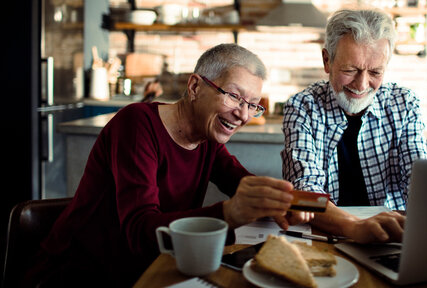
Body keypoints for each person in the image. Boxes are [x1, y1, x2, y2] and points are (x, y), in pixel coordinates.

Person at [24, 43, 311, 288]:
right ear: (195, 86)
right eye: (234, 96)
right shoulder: (137, 124)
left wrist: (285, 202)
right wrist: (229, 213)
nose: (243, 114)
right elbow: (139, 231)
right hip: (80, 273)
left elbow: (242, 182)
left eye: (253, 104)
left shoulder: (206, 138)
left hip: (148, 269)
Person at [281, 8, 427, 244]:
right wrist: (355, 227)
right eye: (350, 70)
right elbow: (305, 195)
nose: (362, 84)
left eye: (375, 72)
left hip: (393, 233)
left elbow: (418, 176)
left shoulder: (404, 103)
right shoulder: (303, 107)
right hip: (329, 236)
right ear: (327, 60)